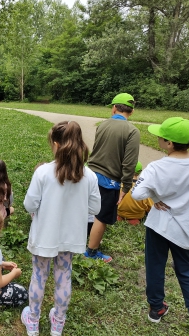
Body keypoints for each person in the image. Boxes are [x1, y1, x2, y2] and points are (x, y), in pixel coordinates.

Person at [132, 117, 189, 336]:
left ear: (168, 143)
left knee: (155, 268)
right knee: (187, 272)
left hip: (158, 225)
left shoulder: (156, 167)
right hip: (186, 229)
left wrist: (156, 196)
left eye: (160, 136)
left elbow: (137, 193)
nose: (157, 137)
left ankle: (156, 309)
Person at [22, 121, 101, 336]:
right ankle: (57, 323)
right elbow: (95, 207)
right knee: (64, 275)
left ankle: (33, 320)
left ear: (56, 145)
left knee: (39, 275)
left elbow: (29, 205)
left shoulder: (43, 173)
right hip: (70, 237)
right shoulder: (89, 175)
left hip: (44, 235)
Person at [85, 93, 140, 262]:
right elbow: (129, 164)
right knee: (101, 217)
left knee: (86, 209)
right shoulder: (132, 131)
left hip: (89, 173)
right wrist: (125, 188)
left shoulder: (102, 125)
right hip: (109, 181)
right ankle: (91, 252)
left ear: (114, 108)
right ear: (130, 112)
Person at [117, 161, 153, 225]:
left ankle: (120, 217)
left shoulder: (119, 185)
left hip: (120, 212)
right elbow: (151, 207)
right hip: (137, 215)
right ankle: (134, 220)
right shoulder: (143, 188)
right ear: (139, 172)